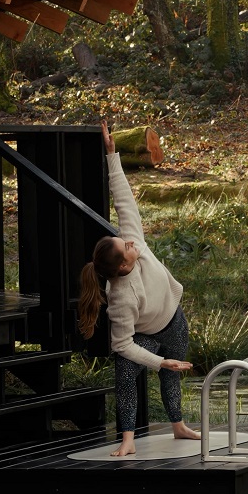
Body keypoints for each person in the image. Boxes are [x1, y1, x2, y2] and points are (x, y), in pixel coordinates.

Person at [77, 120, 201, 456]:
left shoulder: (135, 244)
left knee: (173, 375)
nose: (130, 241)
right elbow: (122, 344)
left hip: (173, 320)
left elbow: (124, 202)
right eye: (126, 246)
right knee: (126, 372)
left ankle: (178, 425)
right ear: (122, 266)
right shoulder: (120, 296)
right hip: (145, 333)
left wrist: (112, 155)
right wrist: (158, 362)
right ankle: (128, 439)